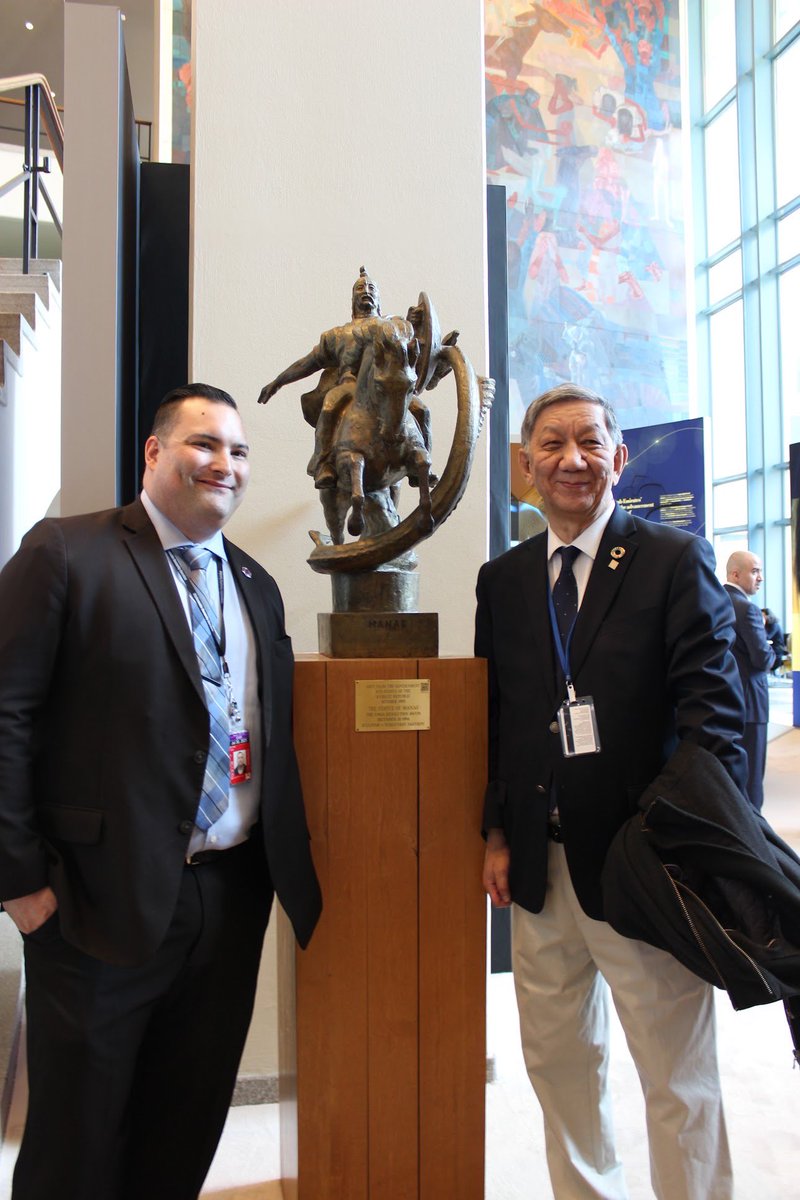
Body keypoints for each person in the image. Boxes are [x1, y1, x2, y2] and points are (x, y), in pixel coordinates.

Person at [0, 384, 322, 1200]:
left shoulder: (256, 584)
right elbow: (6, 718)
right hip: (93, 902)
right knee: (78, 1137)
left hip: (230, 895)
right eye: (204, 444)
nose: (225, 463)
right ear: (154, 453)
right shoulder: (67, 552)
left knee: (186, 1121)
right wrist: (21, 884)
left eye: (239, 451)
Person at [476, 382, 747, 1200]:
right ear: (525, 468)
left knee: (676, 1077)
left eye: (591, 442)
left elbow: (716, 725)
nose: (572, 460)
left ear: (620, 459)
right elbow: (502, 716)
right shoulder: (505, 578)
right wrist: (495, 834)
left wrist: (680, 849)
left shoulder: (671, 560)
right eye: (552, 445)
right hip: (539, 870)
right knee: (560, 1067)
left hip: (643, 869)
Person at [257, 266, 435, 489]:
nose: (366, 290)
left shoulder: (393, 326)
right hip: (351, 386)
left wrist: (414, 325)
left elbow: (413, 352)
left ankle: (421, 470)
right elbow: (308, 363)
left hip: (387, 387)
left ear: (378, 296)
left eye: (371, 287)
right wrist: (278, 382)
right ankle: (323, 463)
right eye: (360, 288)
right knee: (330, 405)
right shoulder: (338, 334)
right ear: (353, 298)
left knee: (422, 410)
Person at [725, 551, 777, 809]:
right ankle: (755, 836)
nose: (761, 578)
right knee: (752, 775)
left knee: (729, 774)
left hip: (722, 700)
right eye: (755, 571)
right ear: (735, 574)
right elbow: (762, 660)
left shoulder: (712, 600)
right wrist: (773, 647)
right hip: (751, 704)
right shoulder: (747, 609)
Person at [761, 606, 789, 673]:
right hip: (771, 647)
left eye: (763, 615)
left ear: (768, 616)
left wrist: (761, 624)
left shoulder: (774, 625)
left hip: (777, 650)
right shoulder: (767, 625)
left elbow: (766, 637)